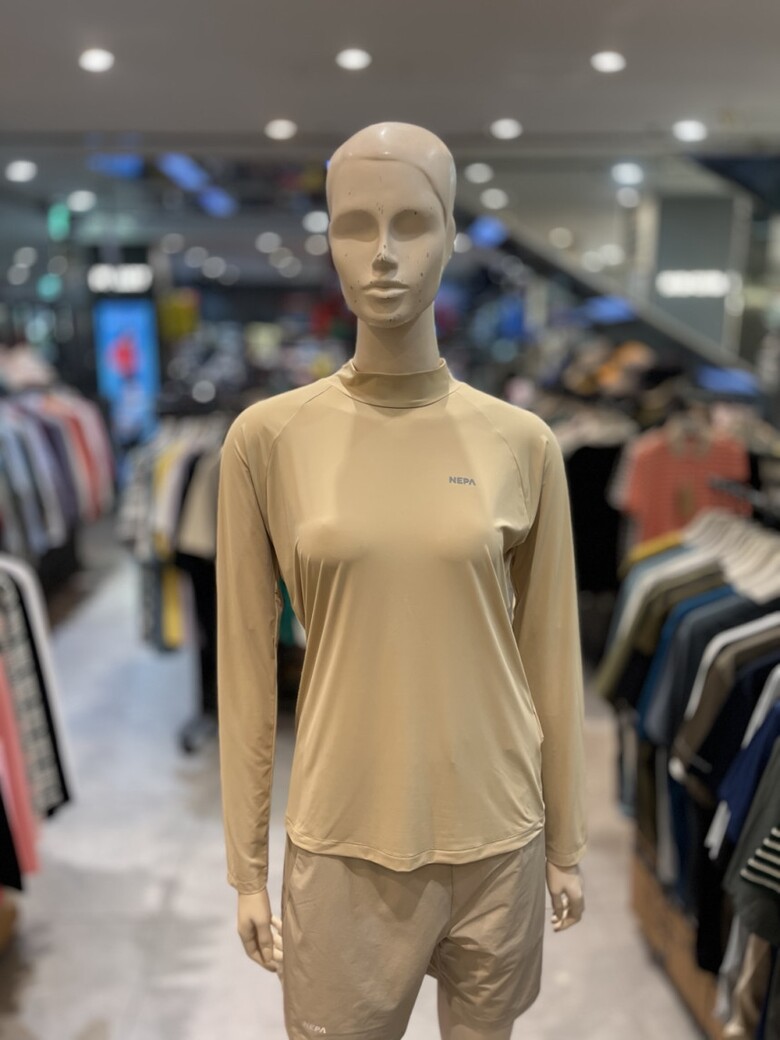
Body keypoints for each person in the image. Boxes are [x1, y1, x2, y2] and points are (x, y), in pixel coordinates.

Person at [217, 122, 587, 1040]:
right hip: (345, 837)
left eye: (413, 223)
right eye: (356, 224)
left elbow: (550, 655)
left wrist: (567, 841)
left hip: (499, 835)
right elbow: (245, 670)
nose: (383, 254)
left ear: (453, 237)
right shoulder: (268, 439)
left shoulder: (522, 442)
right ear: (329, 240)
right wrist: (246, 868)